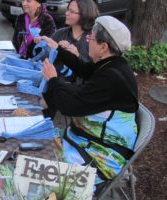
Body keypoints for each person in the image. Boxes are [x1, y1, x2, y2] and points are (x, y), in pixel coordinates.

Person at [41, 16, 139, 193]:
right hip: (86, 141)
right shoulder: (112, 64)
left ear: (103, 47)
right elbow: (83, 69)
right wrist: (57, 48)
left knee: (34, 166)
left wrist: (54, 80)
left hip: (100, 157)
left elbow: (69, 106)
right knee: (34, 146)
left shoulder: (111, 77)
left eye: (91, 38)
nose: (87, 41)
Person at [50, 0, 98, 79]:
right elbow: (45, 57)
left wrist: (77, 56)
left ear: (84, 14)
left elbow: (95, 69)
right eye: (67, 9)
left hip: (81, 88)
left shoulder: (93, 39)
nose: (66, 13)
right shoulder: (60, 33)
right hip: (56, 84)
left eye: (71, 11)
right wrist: (42, 45)